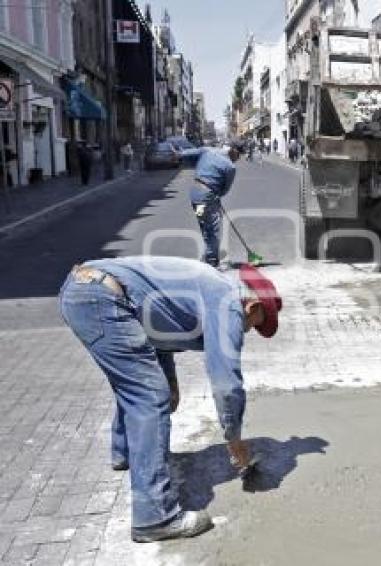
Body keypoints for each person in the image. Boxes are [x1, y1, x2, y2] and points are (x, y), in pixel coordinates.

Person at [58, 257, 283, 542]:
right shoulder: (228, 303)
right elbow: (226, 381)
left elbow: (155, 322)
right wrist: (234, 437)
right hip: (102, 299)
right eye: (251, 325)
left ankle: (125, 452)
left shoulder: (213, 287)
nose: (245, 331)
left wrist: (171, 380)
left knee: (135, 386)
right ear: (251, 307)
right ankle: (155, 517)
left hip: (85, 290)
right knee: (149, 398)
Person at [191, 146, 241, 268]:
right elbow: (225, 188)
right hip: (208, 197)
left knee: (204, 224)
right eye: (237, 157)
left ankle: (208, 254)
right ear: (235, 153)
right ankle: (212, 261)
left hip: (195, 196)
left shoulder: (210, 154)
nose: (236, 160)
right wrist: (217, 196)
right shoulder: (230, 166)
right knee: (213, 229)